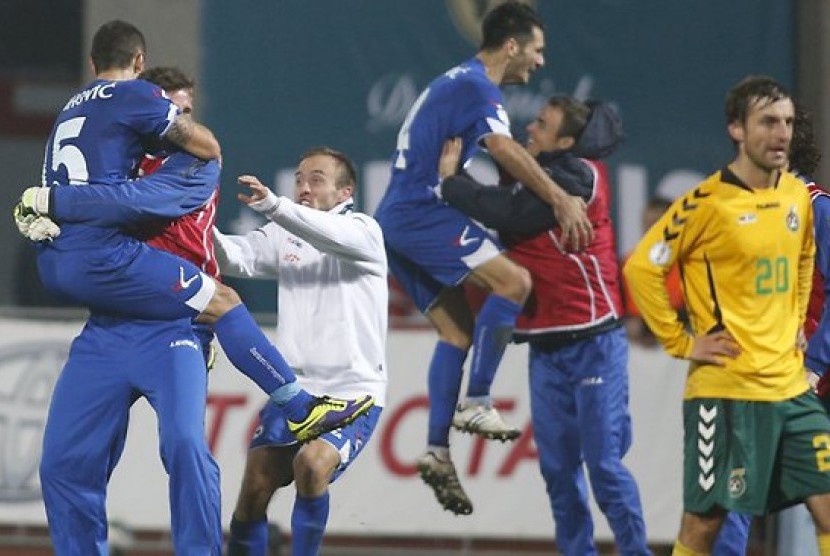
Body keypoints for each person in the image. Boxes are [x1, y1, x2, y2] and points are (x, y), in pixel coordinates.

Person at [14, 21, 371, 554]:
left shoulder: (195, 166)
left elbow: (133, 203)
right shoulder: (122, 157)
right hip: (110, 322)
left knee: (183, 443)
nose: (180, 120)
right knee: (62, 462)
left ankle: (287, 423)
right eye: (171, 110)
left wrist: (55, 204)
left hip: (173, 327)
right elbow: (117, 197)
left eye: (184, 109)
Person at [373, 0, 592, 515]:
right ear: (511, 45)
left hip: (397, 219)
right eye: (536, 51)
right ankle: (476, 403)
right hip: (420, 211)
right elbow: (502, 147)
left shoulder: (460, 84)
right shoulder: (476, 85)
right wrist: (560, 199)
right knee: (514, 283)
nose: (539, 62)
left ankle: (435, 450)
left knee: (456, 334)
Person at [623, 75, 830, 556]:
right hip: (727, 393)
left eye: (787, 123)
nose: (780, 133)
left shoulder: (798, 196)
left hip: (791, 388)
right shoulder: (705, 203)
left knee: (826, 503)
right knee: (704, 524)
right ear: (736, 129)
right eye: (767, 122)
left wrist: (796, 323)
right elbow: (641, 268)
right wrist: (682, 342)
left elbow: (802, 259)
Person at [440, 96, 651, 555]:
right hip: (546, 350)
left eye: (542, 124)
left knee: (605, 470)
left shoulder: (582, 174)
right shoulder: (528, 172)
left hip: (595, 342)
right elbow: (500, 196)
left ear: (568, 141)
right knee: (557, 472)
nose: (529, 129)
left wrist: (450, 181)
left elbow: (508, 213)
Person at [216, 148, 387, 556]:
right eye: (298, 179)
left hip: (352, 393)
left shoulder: (364, 230)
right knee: (254, 489)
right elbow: (235, 256)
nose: (303, 187)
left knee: (311, 466)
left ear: (345, 191)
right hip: (293, 390)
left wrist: (275, 206)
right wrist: (192, 225)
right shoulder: (286, 231)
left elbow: (327, 233)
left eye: (316, 179)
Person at [622, 196, 685, 348]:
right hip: (635, 347)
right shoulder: (628, 263)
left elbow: (696, 314)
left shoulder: (690, 265)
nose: (650, 233)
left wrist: (645, 326)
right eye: (647, 226)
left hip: (679, 343)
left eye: (656, 226)